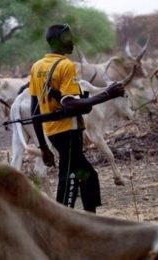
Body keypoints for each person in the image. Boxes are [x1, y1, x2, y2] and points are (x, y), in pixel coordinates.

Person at [28, 24, 125, 213]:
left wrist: (43, 146)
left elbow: (35, 110)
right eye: (68, 37)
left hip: (53, 133)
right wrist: (107, 94)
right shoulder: (65, 65)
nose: (72, 41)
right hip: (68, 131)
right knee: (69, 178)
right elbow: (70, 104)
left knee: (88, 176)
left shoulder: (37, 67)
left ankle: (90, 219)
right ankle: (62, 221)